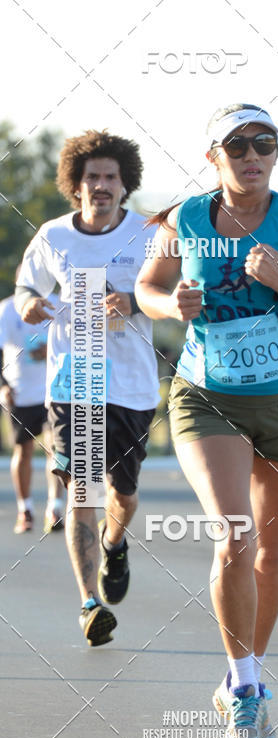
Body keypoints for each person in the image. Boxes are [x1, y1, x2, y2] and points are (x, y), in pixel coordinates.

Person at [136, 103, 278, 738]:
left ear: (276, 154)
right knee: (234, 536)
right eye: (237, 146)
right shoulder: (186, 219)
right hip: (208, 400)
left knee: (270, 555)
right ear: (213, 157)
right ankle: (247, 691)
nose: (252, 154)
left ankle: (243, 674)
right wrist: (169, 303)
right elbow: (147, 289)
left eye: (265, 143)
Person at [15, 130, 160, 647]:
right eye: (90, 177)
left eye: (109, 178)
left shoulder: (148, 235)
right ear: (75, 184)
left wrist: (135, 303)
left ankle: (115, 544)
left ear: (125, 185)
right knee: (83, 488)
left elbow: (174, 293)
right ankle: (89, 604)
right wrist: (30, 302)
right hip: (74, 379)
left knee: (122, 493)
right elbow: (26, 286)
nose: (100, 186)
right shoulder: (53, 236)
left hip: (133, 386)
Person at [0, 268, 63, 534]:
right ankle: (25, 509)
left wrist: (54, 348)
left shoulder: (59, 304)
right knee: (23, 451)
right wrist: (2, 386)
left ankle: (56, 507)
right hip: (21, 391)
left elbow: (78, 343)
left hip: (55, 390)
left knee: (57, 450)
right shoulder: (6, 310)